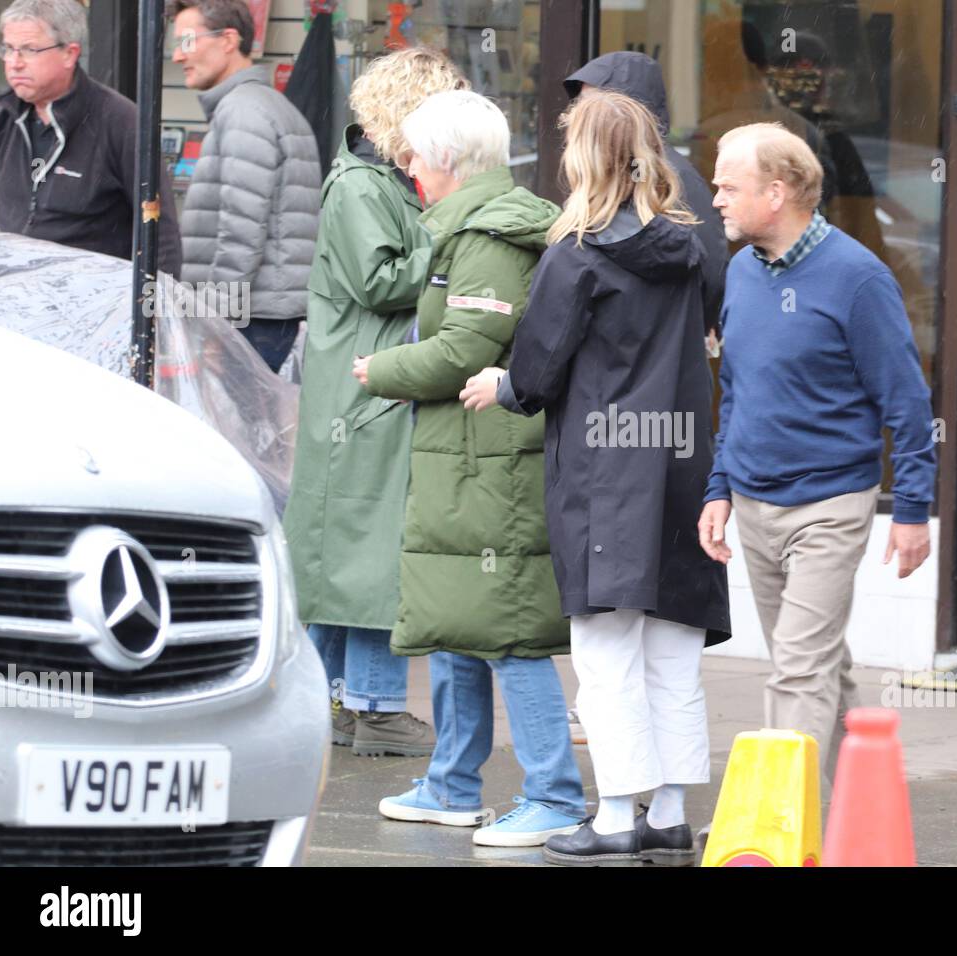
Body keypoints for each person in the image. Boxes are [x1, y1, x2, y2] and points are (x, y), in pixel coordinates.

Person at [461, 90, 732, 866]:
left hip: (605, 471)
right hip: (681, 462)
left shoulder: (575, 253)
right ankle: (671, 810)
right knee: (673, 647)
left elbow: (539, 369)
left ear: (585, 157)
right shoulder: (691, 249)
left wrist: (499, 385)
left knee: (607, 654)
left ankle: (614, 815)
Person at [355, 90, 586, 848]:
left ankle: (552, 793)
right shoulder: (476, 226)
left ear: (447, 162)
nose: (407, 169)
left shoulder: (487, 237)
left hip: (492, 463)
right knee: (457, 620)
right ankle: (453, 786)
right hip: (467, 457)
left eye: (414, 156)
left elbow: (464, 350)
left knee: (511, 632)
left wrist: (376, 369)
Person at [697, 123, 936, 783]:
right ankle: (868, 809)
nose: (714, 198)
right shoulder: (740, 274)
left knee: (797, 669)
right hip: (753, 500)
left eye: (728, 186)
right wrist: (718, 489)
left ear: (776, 193)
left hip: (829, 504)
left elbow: (907, 403)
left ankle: (776, 826)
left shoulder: (857, 279)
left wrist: (913, 509)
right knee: (818, 665)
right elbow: (737, 392)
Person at [284, 47, 469, 759]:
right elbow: (381, 281)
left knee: (341, 555)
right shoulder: (361, 186)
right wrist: (453, 232)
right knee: (369, 555)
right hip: (368, 388)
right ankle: (376, 706)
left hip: (366, 385)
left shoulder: (374, 178)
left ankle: (326, 697)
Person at [171, 0, 320, 372]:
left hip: (251, 320)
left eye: (187, 42)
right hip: (262, 314)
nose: (177, 56)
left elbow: (240, 233)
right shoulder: (259, 105)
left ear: (228, 40)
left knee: (241, 426)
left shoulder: (244, 112)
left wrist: (215, 326)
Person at [0, 0, 182, 275]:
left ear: (70, 54)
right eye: (8, 48)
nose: (14, 63)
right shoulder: (0, 117)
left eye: (29, 50)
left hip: (96, 303)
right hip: (15, 301)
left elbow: (160, 233)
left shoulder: (121, 121)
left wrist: (152, 309)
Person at [563, 51, 727, 338]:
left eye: (591, 106)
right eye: (579, 105)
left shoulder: (665, 173)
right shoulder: (645, 166)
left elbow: (709, 265)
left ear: (624, 108)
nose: (579, 116)